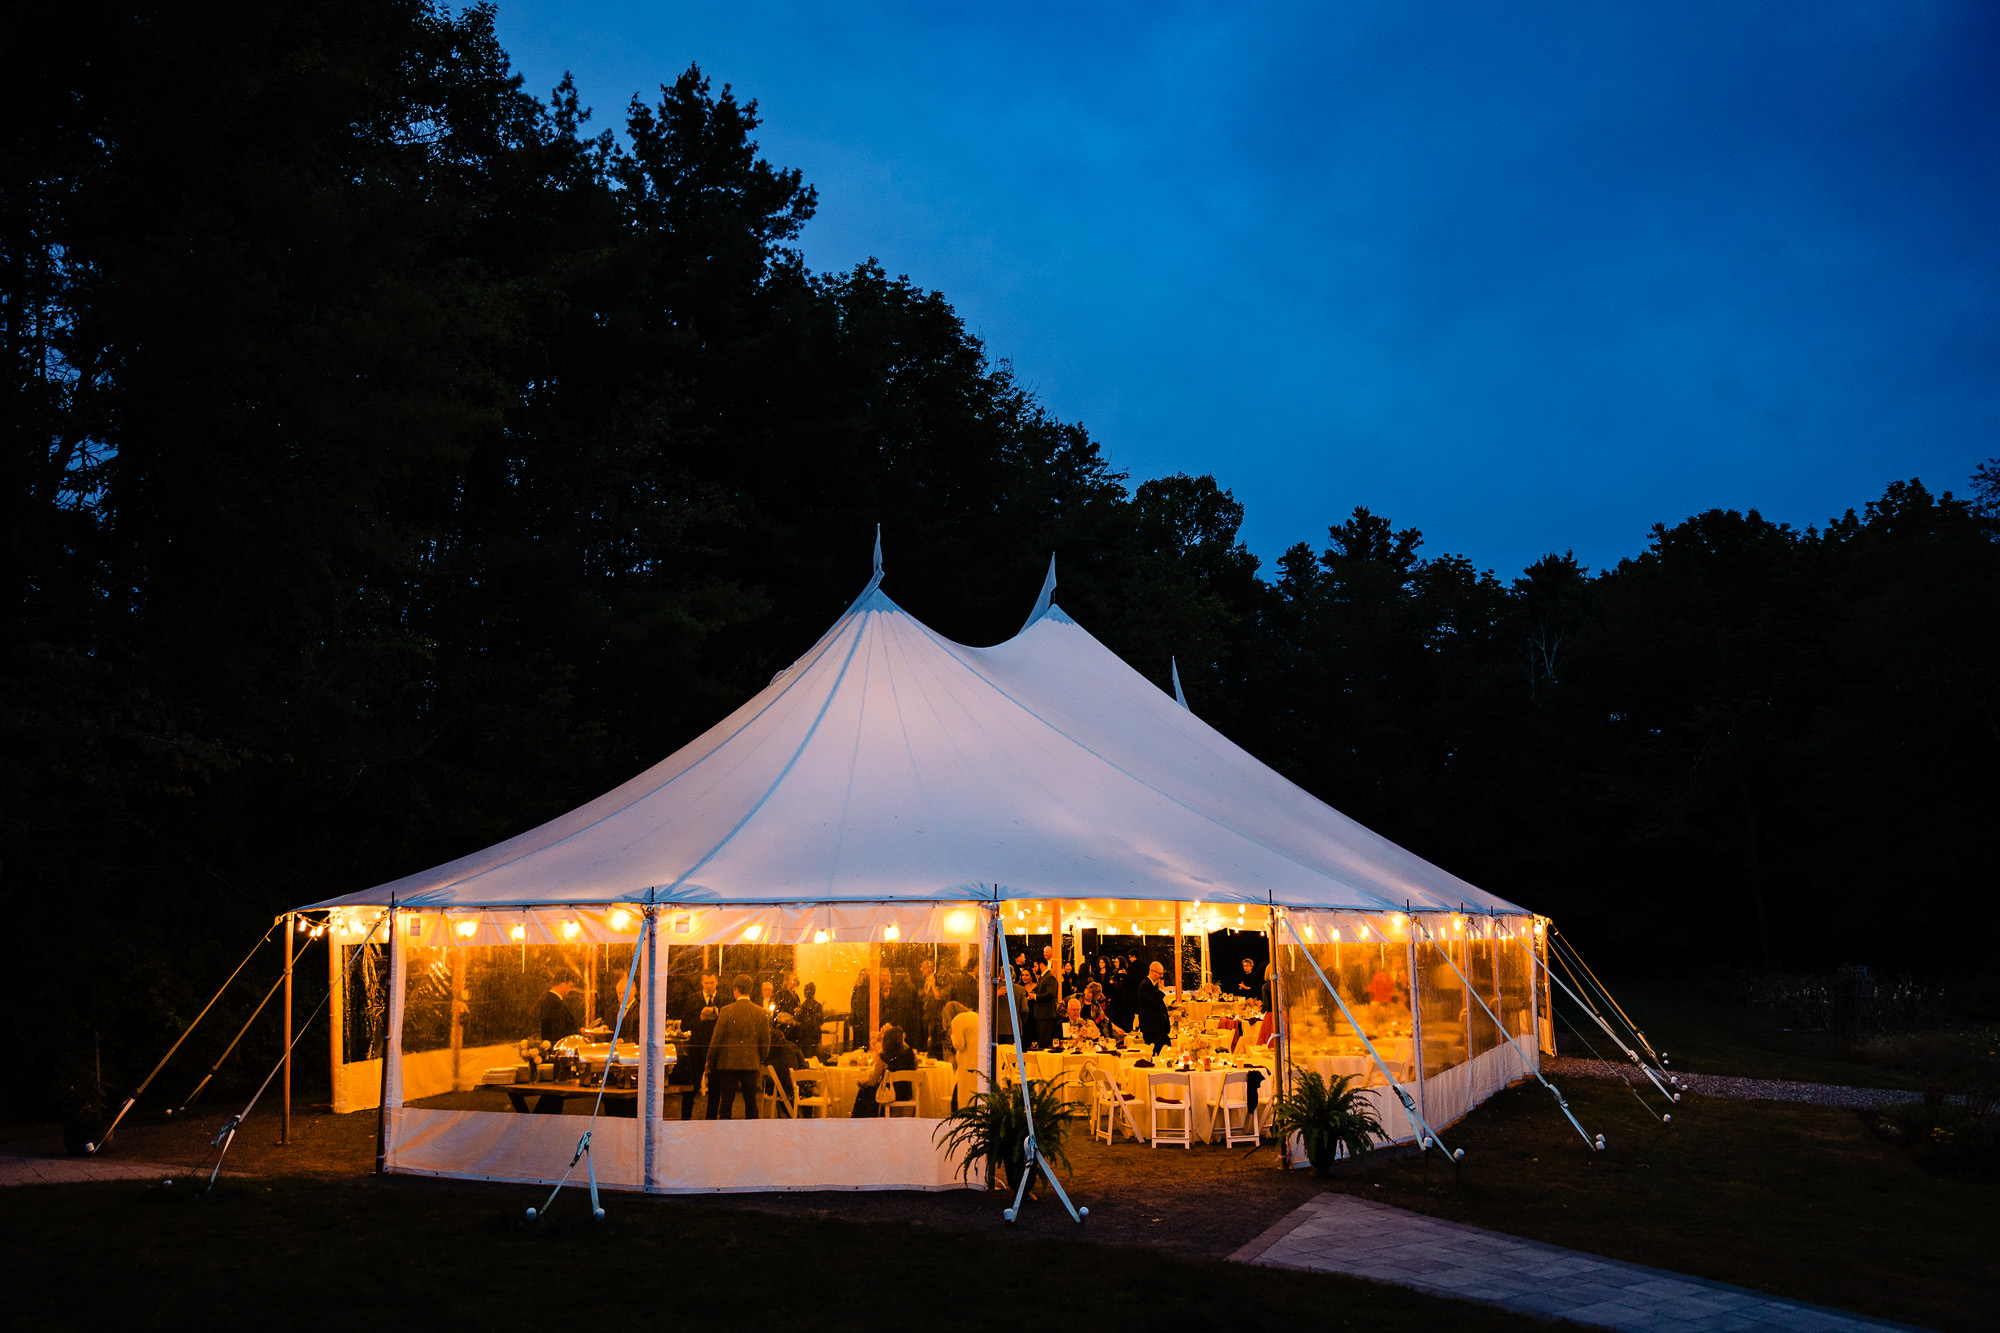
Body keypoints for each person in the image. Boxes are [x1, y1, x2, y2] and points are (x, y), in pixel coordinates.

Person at [705, 974, 771, 1119]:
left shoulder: (726, 1011)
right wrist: (761, 1059)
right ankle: (751, 1135)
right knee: (751, 1103)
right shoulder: (760, 1013)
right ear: (751, 990)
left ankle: (726, 1135)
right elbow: (765, 1041)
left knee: (726, 1102)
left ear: (735, 990)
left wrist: (710, 1060)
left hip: (728, 1064)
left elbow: (716, 1038)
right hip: (751, 1064)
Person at [852, 1023, 917, 1118]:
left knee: (864, 1092)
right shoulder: (910, 1055)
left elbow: (873, 1081)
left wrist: (864, 1082)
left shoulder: (884, 1057)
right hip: (905, 1093)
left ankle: (863, 1121)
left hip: (889, 1094)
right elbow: (915, 1067)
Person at [668, 1000, 716, 1119]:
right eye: (706, 983)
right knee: (691, 1088)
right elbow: (685, 1025)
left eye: (711, 982)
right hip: (697, 1052)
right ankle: (685, 1119)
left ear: (716, 982)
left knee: (715, 1090)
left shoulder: (721, 999)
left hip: (714, 1049)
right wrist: (700, 1018)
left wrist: (716, 1013)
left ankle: (710, 1121)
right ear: (702, 982)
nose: (709, 985)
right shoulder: (694, 1000)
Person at [1136, 960, 1172, 1053]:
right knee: (1159, 1052)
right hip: (1151, 1028)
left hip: (1156, 1029)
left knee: (1166, 1048)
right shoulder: (1145, 985)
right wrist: (1161, 991)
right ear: (1152, 971)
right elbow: (1154, 1002)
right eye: (1160, 973)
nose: (1161, 976)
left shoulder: (1150, 985)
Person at [538, 968, 581, 1044]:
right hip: (559, 1047)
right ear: (563, 984)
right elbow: (560, 1030)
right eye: (570, 986)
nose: (570, 989)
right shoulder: (556, 1003)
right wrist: (580, 1032)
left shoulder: (549, 999)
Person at [791, 981, 825, 1062]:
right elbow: (821, 1021)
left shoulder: (803, 1006)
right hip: (816, 1036)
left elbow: (801, 1021)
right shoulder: (818, 1005)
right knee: (816, 1059)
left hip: (805, 1037)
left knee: (808, 1059)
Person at [1030, 959, 1059, 1049]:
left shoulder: (1049, 978)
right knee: (1041, 1042)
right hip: (1041, 1016)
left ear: (1041, 965)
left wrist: (1035, 997)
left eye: (1035, 966)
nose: (1033, 969)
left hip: (1046, 1016)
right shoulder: (1043, 977)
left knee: (1044, 1043)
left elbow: (1051, 994)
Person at [848, 969, 873, 1051]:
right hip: (864, 1019)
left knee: (857, 1042)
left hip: (858, 1019)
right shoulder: (867, 988)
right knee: (864, 1042)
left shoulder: (857, 987)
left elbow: (853, 1003)